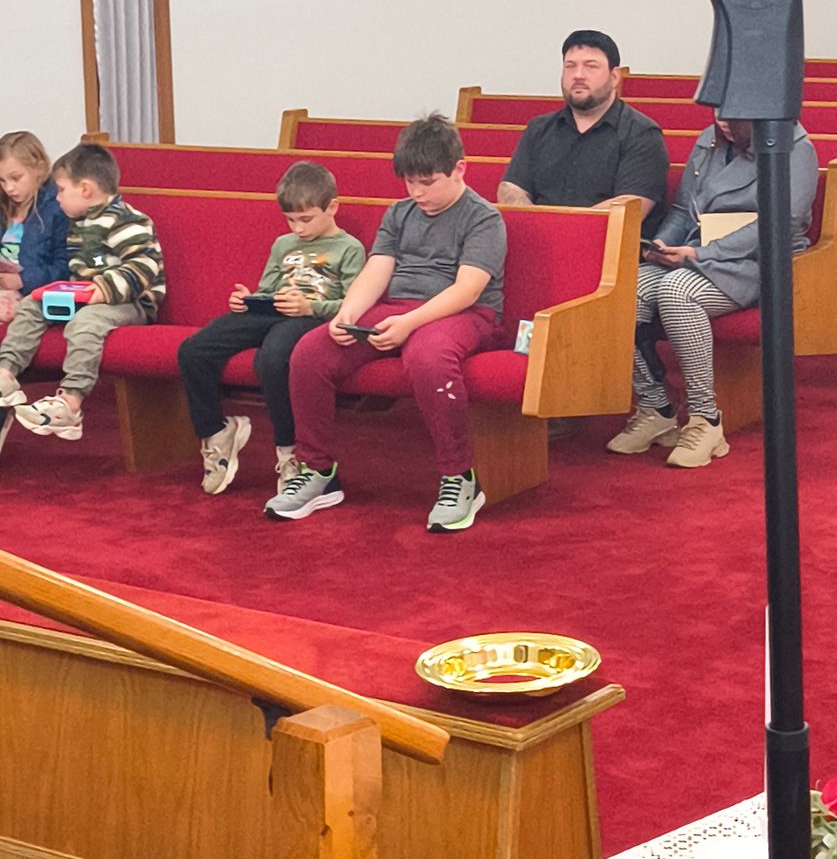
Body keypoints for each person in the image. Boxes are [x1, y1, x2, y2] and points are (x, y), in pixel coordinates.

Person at [266, 113, 507, 532]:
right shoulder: (399, 213)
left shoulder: (483, 218)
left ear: (459, 169)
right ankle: (318, 471)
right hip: (397, 307)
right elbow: (378, 269)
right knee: (310, 352)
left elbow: (468, 289)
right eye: (409, 182)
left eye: (427, 182)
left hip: (464, 313)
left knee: (428, 357)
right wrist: (348, 314)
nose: (417, 193)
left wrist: (409, 322)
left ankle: (459, 476)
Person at [606, 115, 818, 469]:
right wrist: (662, 245)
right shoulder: (710, 138)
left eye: (730, 111)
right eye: (716, 108)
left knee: (676, 290)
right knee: (628, 288)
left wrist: (700, 254)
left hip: (757, 261)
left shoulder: (793, 146)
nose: (721, 119)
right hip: (699, 250)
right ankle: (657, 407)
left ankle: (706, 419)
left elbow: (779, 222)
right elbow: (682, 210)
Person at [177, 161, 366, 497]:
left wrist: (311, 307)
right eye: (290, 220)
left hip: (310, 317)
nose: (298, 228)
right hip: (273, 311)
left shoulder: (349, 248)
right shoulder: (283, 245)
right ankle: (217, 431)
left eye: (306, 219)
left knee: (272, 359)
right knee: (193, 350)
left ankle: (289, 452)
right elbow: (268, 289)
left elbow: (355, 304)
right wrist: (248, 300)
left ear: (332, 207)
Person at [0, 143, 164, 443]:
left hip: (129, 302)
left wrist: (102, 289)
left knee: (86, 323)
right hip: (83, 297)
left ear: (85, 189)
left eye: (61, 190)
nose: (57, 197)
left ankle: (71, 401)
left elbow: (144, 267)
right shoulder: (80, 221)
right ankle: (6, 373)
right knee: (33, 305)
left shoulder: (127, 220)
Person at [497, 30, 669, 233]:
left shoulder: (641, 134)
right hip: (536, 240)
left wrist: (560, 230)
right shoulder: (538, 129)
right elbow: (511, 189)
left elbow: (630, 207)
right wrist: (537, 227)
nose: (578, 75)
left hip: (607, 247)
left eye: (591, 66)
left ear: (614, 77)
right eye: (570, 66)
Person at [0, 131, 71, 328]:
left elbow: (66, 268)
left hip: (34, 294)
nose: (9, 188)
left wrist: (23, 280)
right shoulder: (4, 205)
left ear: (39, 168)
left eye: (16, 178)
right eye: (2, 180)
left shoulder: (59, 207)